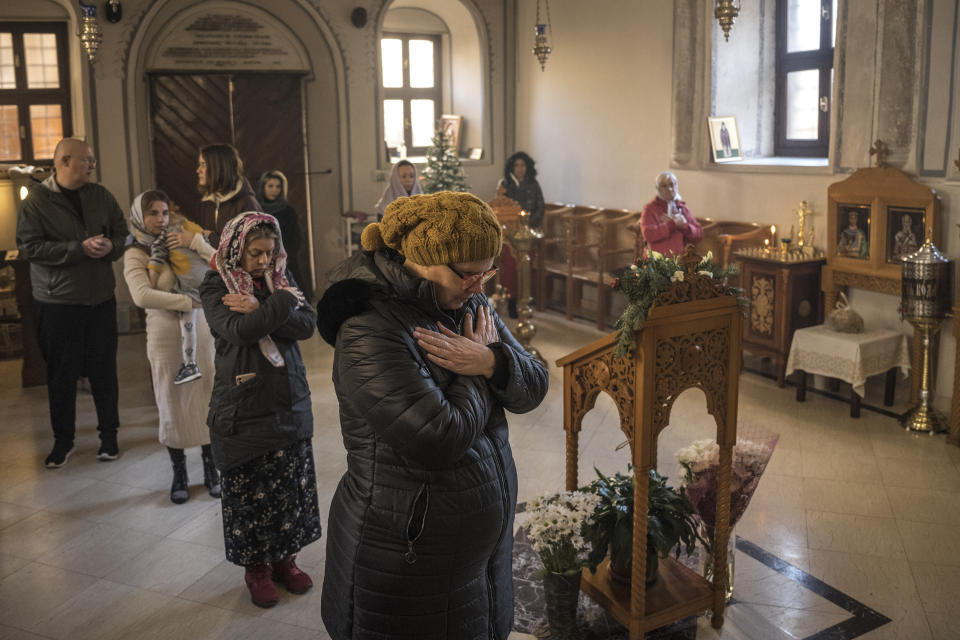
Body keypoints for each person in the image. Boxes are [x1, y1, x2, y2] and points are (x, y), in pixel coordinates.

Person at [316, 191, 549, 639]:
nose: (481, 285)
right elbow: (438, 436)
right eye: (468, 274)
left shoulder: (469, 301)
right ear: (422, 260)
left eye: (488, 272)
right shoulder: (369, 327)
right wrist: (479, 372)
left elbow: (534, 383)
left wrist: (492, 361)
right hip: (407, 557)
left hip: (476, 557)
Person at [200, 212, 320, 609]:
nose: (265, 262)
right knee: (252, 492)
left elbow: (306, 326)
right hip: (244, 403)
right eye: (255, 253)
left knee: (288, 487)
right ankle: (257, 571)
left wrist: (262, 304)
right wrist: (281, 302)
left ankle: (286, 561)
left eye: (269, 253)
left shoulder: (279, 278)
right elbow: (239, 331)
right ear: (236, 248)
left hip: (287, 397)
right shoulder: (216, 283)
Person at [16, 138, 127, 468]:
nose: (92, 165)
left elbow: (123, 235)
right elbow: (29, 248)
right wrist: (78, 248)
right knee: (61, 376)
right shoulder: (36, 202)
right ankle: (63, 442)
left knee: (104, 372)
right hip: (57, 303)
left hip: (100, 300)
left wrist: (111, 247)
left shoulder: (101, 196)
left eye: (92, 160)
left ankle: (109, 437)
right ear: (64, 162)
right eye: (86, 160)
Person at [123, 189, 221, 504]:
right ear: (140, 215)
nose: (160, 220)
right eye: (152, 213)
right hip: (166, 334)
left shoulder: (183, 237)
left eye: (165, 213)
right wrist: (189, 301)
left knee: (207, 395)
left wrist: (196, 242)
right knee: (171, 401)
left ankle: (210, 469)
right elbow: (142, 295)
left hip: (202, 330)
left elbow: (217, 264)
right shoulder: (136, 251)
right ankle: (179, 472)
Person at [197, 143, 260, 247]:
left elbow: (249, 250)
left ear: (219, 167)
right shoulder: (206, 203)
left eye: (203, 164)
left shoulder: (247, 205)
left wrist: (210, 237)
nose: (198, 170)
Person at [256, 169, 304, 286]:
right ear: (263, 187)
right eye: (270, 186)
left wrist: (286, 256)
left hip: (286, 258)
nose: (274, 190)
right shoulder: (256, 209)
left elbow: (295, 237)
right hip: (262, 258)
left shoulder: (288, 210)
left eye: (278, 187)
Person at [640, 171, 703, 257]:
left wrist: (684, 226)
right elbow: (648, 234)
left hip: (680, 261)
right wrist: (672, 224)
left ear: (677, 186)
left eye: (672, 185)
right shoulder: (650, 209)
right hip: (656, 261)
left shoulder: (682, 208)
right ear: (658, 188)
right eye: (664, 186)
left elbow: (699, 234)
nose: (669, 189)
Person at [496, 151, 545, 228]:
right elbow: (500, 207)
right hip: (510, 225)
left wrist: (529, 223)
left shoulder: (533, 183)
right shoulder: (504, 183)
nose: (520, 169)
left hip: (531, 225)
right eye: (516, 165)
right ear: (512, 167)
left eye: (522, 165)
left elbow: (540, 207)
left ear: (527, 167)